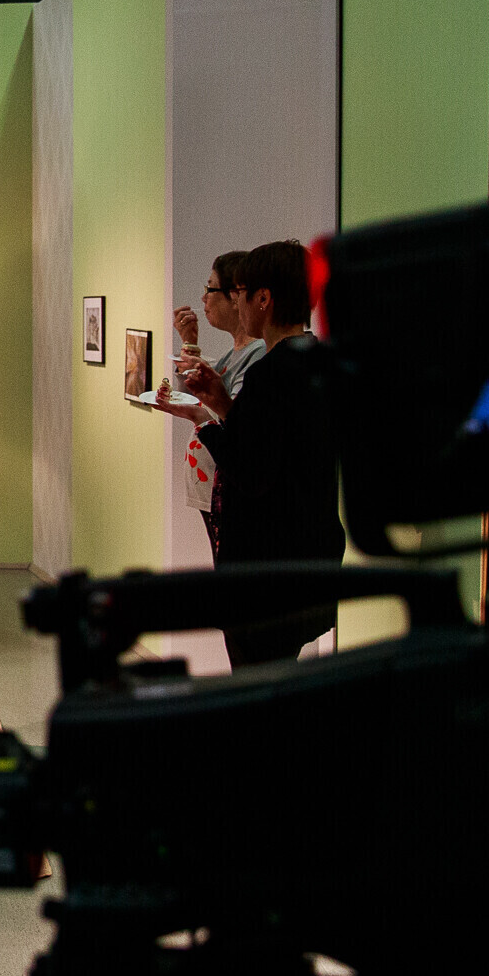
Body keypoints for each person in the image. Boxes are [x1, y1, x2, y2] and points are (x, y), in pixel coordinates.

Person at [178, 240, 344, 665]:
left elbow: (250, 472)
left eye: (240, 293)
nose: (237, 303)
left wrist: (205, 422)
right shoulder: (320, 361)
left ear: (263, 299)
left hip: (266, 573)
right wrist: (223, 405)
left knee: (257, 678)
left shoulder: (269, 375)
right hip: (310, 560)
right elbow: (276, 447)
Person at [162, 250, 265, 560]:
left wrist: (199, 411)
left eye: (210, 288)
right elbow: (197, 395)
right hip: (214, 484)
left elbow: (232, 417)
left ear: (236, 296)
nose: (203, 298)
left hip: (229, 483)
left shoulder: (258, 353)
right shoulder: (236, 353)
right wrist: (189, 342)